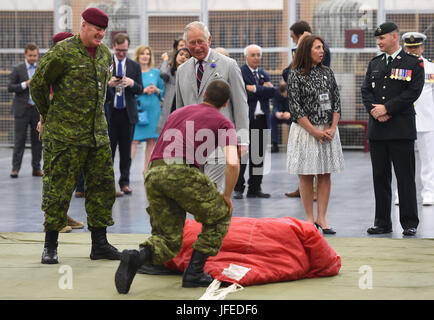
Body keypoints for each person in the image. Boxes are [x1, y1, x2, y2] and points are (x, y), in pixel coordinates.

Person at [114, 80, 240, 294]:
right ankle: (194, 273)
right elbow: (233, 163)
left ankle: (137, 257)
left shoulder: (177, 113)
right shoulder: (223, 122)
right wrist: (226, 196)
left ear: (204, 95)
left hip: (153, 172)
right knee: (219, 216)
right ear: (226, 102)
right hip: (181, 171)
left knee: (168, 239)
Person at [31, 7, 121, 264]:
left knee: (102, 188)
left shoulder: (104, 54)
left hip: (97, 135)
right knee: (58, 189)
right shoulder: (63, 52)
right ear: (84, 25)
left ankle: (100, 244)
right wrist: (49, 115)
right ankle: (50, 245)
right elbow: (38, 85)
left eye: (104, 29)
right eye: (96, 28)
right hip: (65, 136)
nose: (101, 33)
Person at [361, 22, 424, 236]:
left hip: (401, 129)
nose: (378, 42)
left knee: (405, 176)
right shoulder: (375, 64)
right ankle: (382, 222)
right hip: (377, 130)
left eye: (382, 38)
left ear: (394, 37)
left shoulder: (413, 63)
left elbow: (412, 92)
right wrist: (375, 111)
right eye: (377, 39)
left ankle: (409, 222)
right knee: (380, 177)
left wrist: (387, 108)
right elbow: (365, 91)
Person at [176, 21, 249, 192]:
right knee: (196, 193)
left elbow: (240, 104)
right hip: (191, 145)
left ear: (209, 40)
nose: (197, 46)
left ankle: (213, 218)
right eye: (192, 43)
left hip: (219, 142)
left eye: (200, 41)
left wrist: (242, 140)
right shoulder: (182, 71)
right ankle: (210, 219)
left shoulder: (228, 65)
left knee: (212, 191)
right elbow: (180, 109)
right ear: (187, 44)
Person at [286, 35, 344, 234]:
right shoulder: (295, 74)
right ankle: (310, 219)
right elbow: (296, 108)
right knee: (307, 174)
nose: (322, 51)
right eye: (318, 48)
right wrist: (314, 131)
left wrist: (332, 127)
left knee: (325, 174)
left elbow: (336, 102)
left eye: (323, 48)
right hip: (306, 132)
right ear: (307, 50)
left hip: (327, 130)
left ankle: (322, 218)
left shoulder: (328, 72)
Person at [284, 20, 331, 199]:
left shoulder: (320, 53)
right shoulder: (297, 71)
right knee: (304, 165)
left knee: (323, 167)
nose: (293, 42)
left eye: (294, 38)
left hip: (320, 117)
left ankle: (315, 193)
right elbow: (290, 74)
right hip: (304, 120)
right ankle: (305, 188)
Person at [394, 32, 434, 206]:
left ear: (422, 48)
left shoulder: (431, 68)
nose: (413, 50)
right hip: (403, 120)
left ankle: (429, 192)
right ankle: (400, 194)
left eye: (416, 47)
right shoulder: (398, 67)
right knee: (402, 160)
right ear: (404, 47)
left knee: (429, 160)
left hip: (427, 120)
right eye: (409, 47)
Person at [233, 44, 275, 199]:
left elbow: (272, 92)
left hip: (262, 119)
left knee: (258, 157)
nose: (257, 57)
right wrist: (261, 90)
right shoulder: (240, 73)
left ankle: (255, 188)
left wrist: (255, 89)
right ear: (246, 57)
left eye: (258, 54)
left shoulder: (264, 74)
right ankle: (238, 188)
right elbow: (242, 93)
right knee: (242, 155)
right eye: (253, 55)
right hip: (246, 120)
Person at [106, 33, 144, 196]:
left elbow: (140, 89)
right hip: (111, 113)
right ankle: (108, 184)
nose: (122, 53)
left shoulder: (134, 66)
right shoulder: (107, 64)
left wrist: (132, 83)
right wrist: (109, 84)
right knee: (109, 151)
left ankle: (125, 182)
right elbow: (99, 86)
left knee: (126, 152)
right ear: (114, 47)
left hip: (127, 114)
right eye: (119, 50)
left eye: (125, 50)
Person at [8, 42, 43, 179]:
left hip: (36, 110)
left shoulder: (41, 68)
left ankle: (37, 168)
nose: (33, 58)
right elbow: (10, 87)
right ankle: (15, 169)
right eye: (30, 55)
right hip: (22, 110)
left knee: (38, 141)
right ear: (25, 54)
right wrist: (25, 84)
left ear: (38, 55)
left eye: (35, 55)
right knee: (19, 140)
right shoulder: (18, 68)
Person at [131, 45, 165, 174]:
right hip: (138, 109)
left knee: (151, 139)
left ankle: (147, 169)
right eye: (143, 54)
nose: (145, 56)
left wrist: (156, 90)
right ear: (138, 56)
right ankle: (126, 171)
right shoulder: (133, 72)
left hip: (153, 110)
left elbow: (163, 91)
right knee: (133, 140)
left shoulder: (156, 73)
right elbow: (129, 91)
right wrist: (142, 90)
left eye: (148, 54)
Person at [157, 47, 191, 133]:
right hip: (170, 110)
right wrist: (165, 60)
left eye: (187, 56)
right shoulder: (170, 72)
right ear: (176, 56)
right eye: (181, 54)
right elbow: (163, 73)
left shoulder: (190, 75)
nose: (183, 57)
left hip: (183, 111)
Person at [270, 81, 291, 153]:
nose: (284, 95)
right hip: (280, 116)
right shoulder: (276, 93)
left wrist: (290, 114)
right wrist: (277, 113)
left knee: (296, 121)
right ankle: (274, 144)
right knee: (272, 119)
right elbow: (275, 106)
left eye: (285, 93)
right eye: (282, 94)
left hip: (290, 116)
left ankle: (292, 143)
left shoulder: (292, 93)